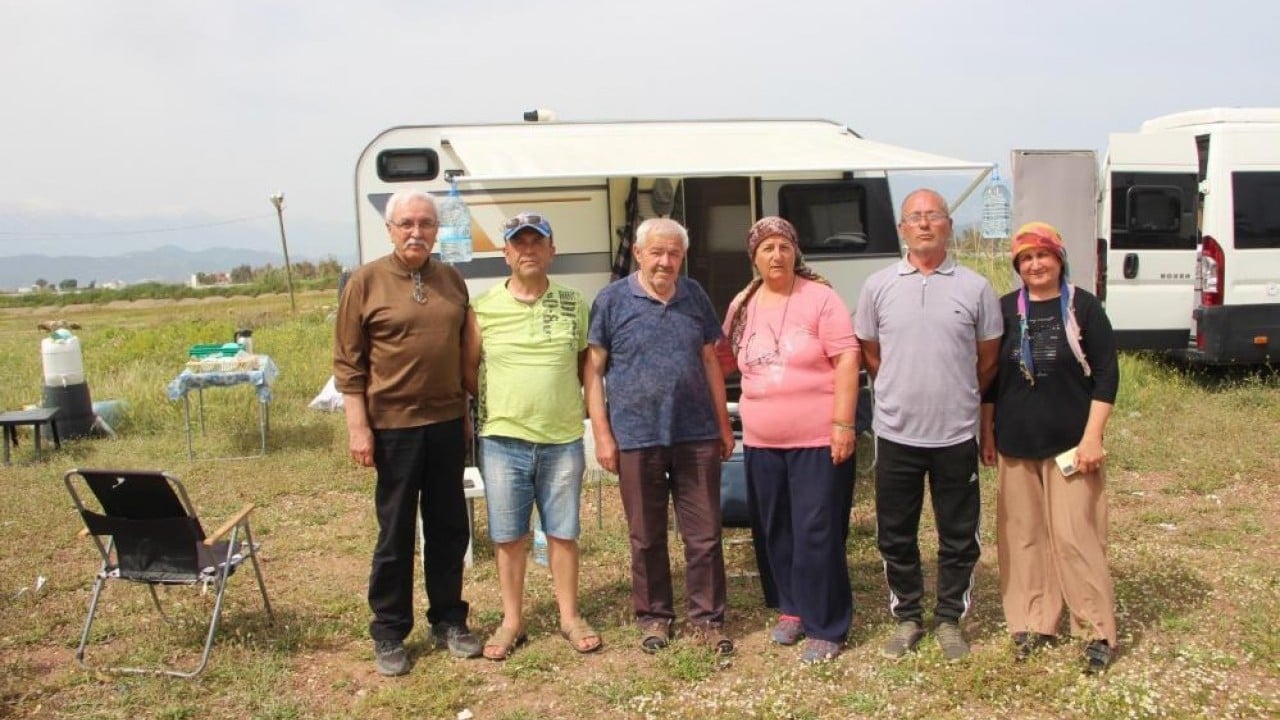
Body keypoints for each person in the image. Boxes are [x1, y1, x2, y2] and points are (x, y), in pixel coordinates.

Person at [333, 189, 482, 676]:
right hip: (392, 428)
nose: (416, 232)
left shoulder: (451, 280)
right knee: (395, 533)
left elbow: (463, 351)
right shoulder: (365, 281)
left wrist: (463, 413)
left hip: (444, 424)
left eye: (425, 223)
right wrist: (359, 427)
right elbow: (348, 364)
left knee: (448, 528)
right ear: (390, 229)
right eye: (407, 224)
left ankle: (448, 620)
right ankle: (390, 631)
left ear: (437, 230)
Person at [853, 188, 1002, 662]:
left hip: (956, 433)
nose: (923, 224)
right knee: (896, 533)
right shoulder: (878, 286)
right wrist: (901, 385)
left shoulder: (975, 288)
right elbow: (871, 353)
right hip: (896, 433)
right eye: (914, 217)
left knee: (958, 536)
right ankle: (908, 617)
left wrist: (955, 394)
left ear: (948, 226)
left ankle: (950, 619)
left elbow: (987, 360)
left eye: (933, 216)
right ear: (901, 229)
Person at [584, 217, 737, 655]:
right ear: (638, 253)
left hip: (696, 435)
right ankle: (654, 617)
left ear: (682, 257)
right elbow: (592, 371)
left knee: (704, 534)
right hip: (635, 437)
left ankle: (708, 619)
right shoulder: (612, 300)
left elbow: (710, 361)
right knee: (646, 535)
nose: (665, 261)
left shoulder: (695, 296)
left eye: (673, 253)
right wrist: (603, 435)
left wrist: (723, 425)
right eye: (657, 252)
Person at [979, 222, 1120, 673]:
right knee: (1022, 538)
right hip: (1016, 445)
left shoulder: (1083, 307)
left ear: (1059, 258)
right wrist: (987, 432)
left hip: (1071, 449)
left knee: (1076, 536)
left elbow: (1106, 376)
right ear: (1017, 266)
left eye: (1043, 256)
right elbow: (990, 382)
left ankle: (1096, 630)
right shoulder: (1004, 311)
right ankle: (1033, 622)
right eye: (1026, 259)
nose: (1035, 265)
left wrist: (1093, 436)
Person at [720, 217, 860, 664]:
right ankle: (792, 609)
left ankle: (827, 624)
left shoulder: (821, 298)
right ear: (754, 257)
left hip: (818, 436)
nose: (776, 255)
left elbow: (846, 360)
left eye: (783, 246)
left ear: (795, 252)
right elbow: (725, 359)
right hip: (763, 438)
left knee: (817, 530)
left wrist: (843, 424)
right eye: (766, 248)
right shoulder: (743, 303)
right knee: (774, 527)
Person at [464, 211, 601, 661]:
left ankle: (569, 615)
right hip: (502, 440)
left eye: (536, 242)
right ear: (505, 253)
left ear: (551, 251)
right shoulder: (481, 308)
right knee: (508, 535)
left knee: (563, 532)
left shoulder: (574, 303)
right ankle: (511, 621)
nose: (528, 250)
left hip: (562, 438)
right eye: (518, 243)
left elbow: (587, 366)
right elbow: (469, 370)